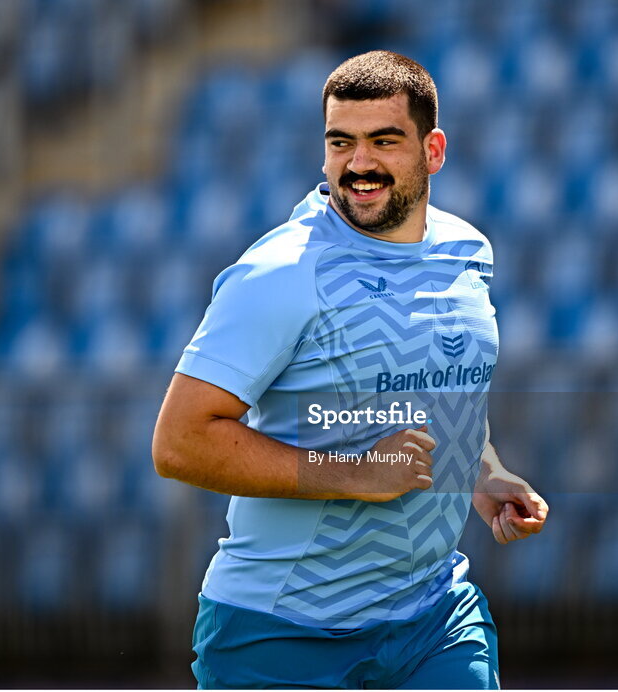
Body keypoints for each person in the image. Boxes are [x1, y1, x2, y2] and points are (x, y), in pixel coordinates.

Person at [152, 50, 548, 689]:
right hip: (280, 634)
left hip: (435, 622)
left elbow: (435, 390)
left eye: (384, 141)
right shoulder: (281, 272)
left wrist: (483, 474)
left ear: (433, 150)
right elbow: (178, 442)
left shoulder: (468, 252)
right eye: (342, 143)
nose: (359, 164)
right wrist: (351, 475)